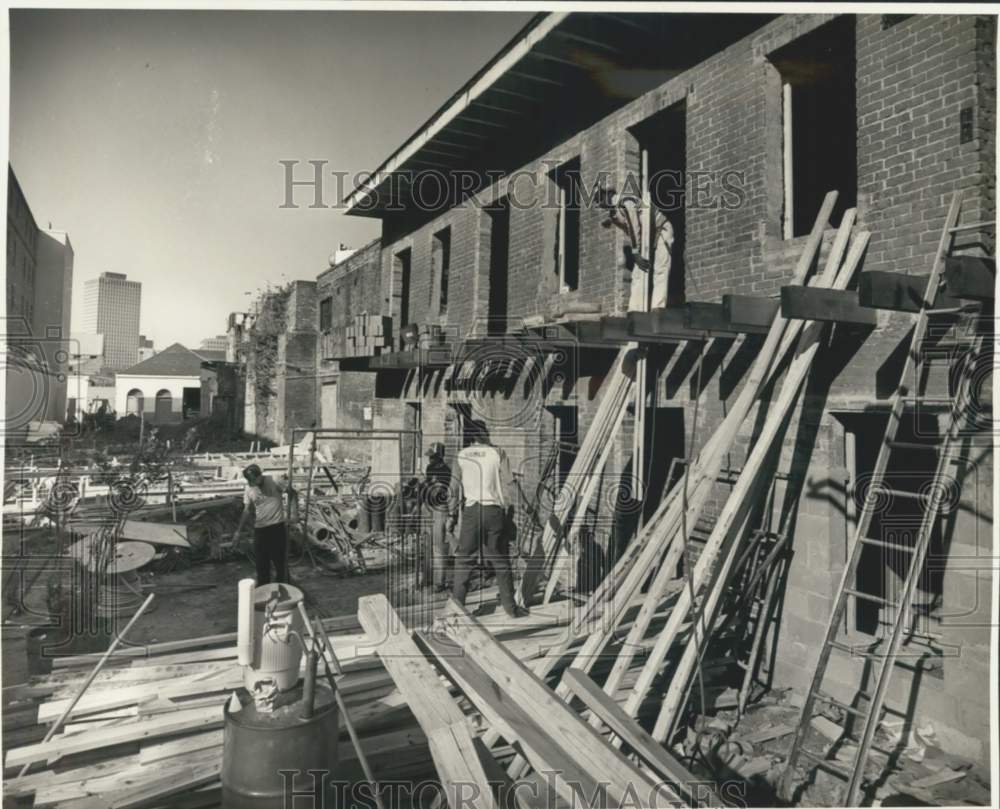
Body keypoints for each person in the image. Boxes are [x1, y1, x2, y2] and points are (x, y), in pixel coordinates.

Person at [448, 421, 529, 618]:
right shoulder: (497, 452)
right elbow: (510, 481)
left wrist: (451, 515)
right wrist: (525, 506)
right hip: (493, 512)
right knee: (500, 562)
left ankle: (458, 611)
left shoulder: (461, 455)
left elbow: (453, 488)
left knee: (464, 561)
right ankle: (511, 609)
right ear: (485, 433)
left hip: (471, 513)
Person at [595, 180, 679, 309]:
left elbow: (634, 228)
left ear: (609, 194)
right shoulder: (616, 210)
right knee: (638, 273)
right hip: (649, 236)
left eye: (599, 198)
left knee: (660, 269)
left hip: (662, 230)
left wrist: (635, 253)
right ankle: (635, 310)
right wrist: (614, 220)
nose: (599, 203)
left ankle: (658, 308)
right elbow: (630, 229)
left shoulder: (625, 202)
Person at [233, 463, 297, 585]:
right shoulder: (249, 488)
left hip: (277, 527)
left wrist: (294, 514)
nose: (255, 484)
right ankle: (264, 590)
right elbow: (247, 510)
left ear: (260, 475)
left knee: (280, 562)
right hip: (260, 529)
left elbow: (293, 494)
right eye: (252, 483)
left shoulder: (275, 480)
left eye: (256, 481)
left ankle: (283, 588)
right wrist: (238, 531)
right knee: (261, 564)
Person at [420, 442, 453, 592]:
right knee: (426, 545)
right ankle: (426, 578)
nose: (430, 459)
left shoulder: (446, 470)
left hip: (440, 509)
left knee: (439, 547)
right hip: (428, 507)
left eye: (432, 457)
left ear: (439, 456)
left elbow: (437, 489)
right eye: (429, 457)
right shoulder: (429, 468)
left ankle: (439, 582)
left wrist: (427, 486)